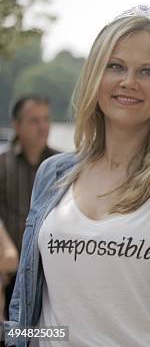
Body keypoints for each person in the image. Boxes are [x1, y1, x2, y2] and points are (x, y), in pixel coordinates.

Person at [5, 5, 150, 346]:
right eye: (115, 66)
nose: (129, 81)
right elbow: (39, 315)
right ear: (96, 76)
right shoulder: (52, 175)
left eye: (148, 72)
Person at [0, 96, 58, 319]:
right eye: (34, 120)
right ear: (16, 125)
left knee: (52, 335)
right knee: (11, 337)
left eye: (46, 119)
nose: (43, 127)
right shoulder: (2, 165)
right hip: (10, 275)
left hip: (50, 275)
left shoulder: (63, 166)